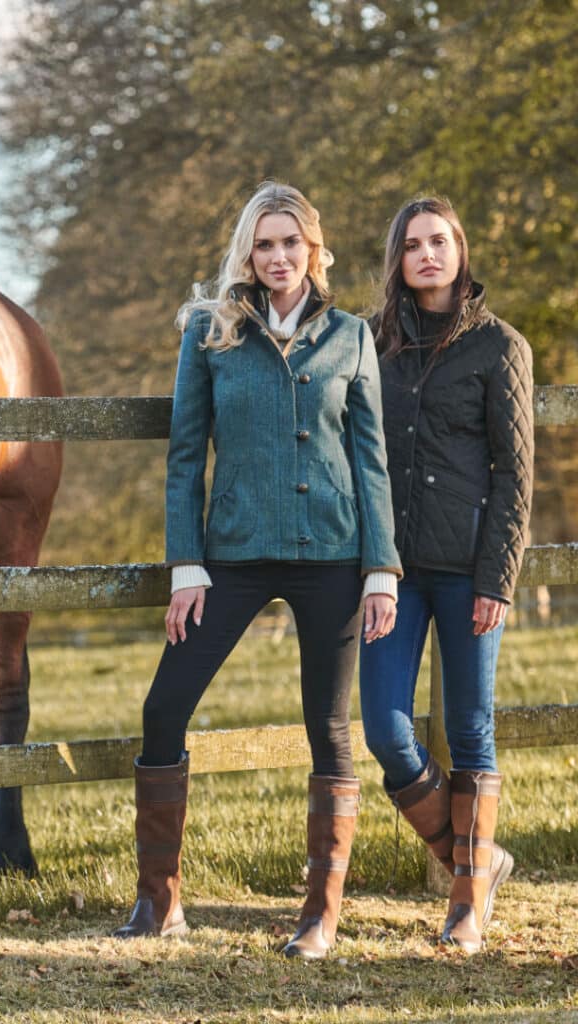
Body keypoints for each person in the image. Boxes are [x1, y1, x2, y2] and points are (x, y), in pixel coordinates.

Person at [113, 182, 402, 959]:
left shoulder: (350, 335)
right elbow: (184, 459)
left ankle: (320, 916)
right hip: (232, 556)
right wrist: (187, 567)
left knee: (328, 729)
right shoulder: (213, 333)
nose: (277, 258)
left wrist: (382, 569)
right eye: (263, 244)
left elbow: (371, 459)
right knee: (163, 708)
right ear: (248, 252)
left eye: (289, 243)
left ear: (314, 249)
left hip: (334, 556)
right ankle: (159, 901)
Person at [359, 196, 534, 954]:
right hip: (393, 574)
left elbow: (515, 475)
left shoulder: (501, 347)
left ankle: (466, 905)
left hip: (468, 570)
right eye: (413, 245)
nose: (427, 254)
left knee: (470, 731)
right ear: (397, 260)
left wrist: (497, 577)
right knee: (385, 730)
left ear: (461, 250)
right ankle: (476, 858)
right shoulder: (373, 343)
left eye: (440, 241)